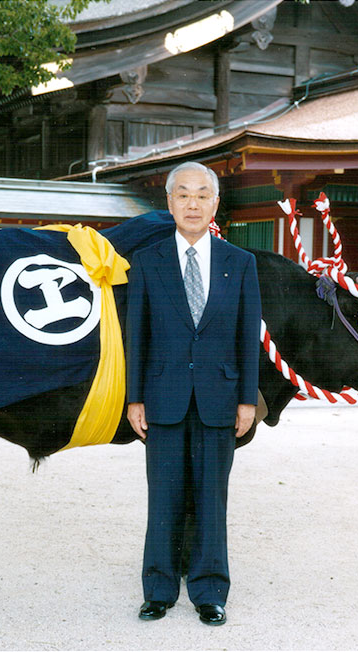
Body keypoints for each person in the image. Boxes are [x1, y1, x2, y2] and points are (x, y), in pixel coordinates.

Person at [125, 161, 261, 626]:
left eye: (202, 195)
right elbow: (135, 336)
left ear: (215, 204)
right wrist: (134, 397)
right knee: (162, 497)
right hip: (162, 396)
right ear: (169, 202)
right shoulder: (146, 263)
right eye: (183, 194)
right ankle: (158, 589)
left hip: (219, 398)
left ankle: (209, 591)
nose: (193, 203)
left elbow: (248, 337)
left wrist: (247, 399)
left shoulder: (241, 264)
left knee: (211, 498)